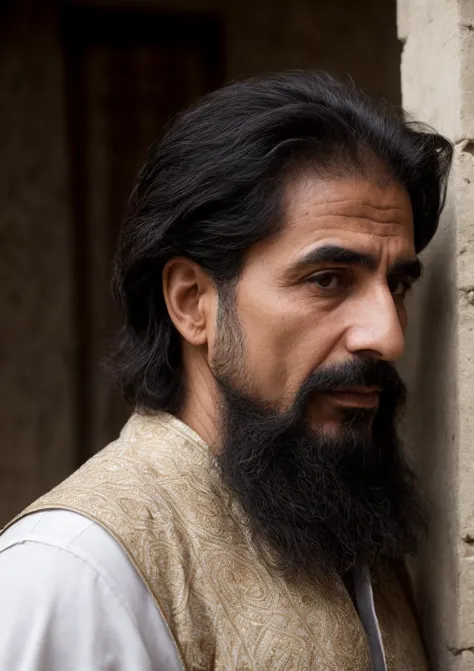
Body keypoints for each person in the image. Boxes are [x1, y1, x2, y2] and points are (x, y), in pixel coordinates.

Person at [0, 71, 452, 670]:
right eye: (327, 280)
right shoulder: (76, 572)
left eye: (395, 284)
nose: (388, 335)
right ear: (192, 302)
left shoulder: (349, 523)